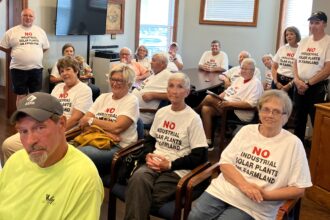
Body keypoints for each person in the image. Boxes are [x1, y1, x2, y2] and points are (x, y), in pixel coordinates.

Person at [188, 90, 312, 220]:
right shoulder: (246, 131)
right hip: (223, 191)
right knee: (195, 216)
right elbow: (225, 163)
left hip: (255, 205)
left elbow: (299, 189)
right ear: (259, 112)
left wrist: (266, 195)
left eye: (276, 111)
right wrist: (244, 186)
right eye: (266, 109)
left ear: (286, 116)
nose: (270, 115)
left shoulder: (293, 144)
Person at [0, 92, 103, 219]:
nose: (30, 141)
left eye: (39, 128)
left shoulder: (84, 178)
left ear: (62, 124)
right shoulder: (15, 160)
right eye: (23, 131)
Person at [124, 72, 208, 220]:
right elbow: (150, 141)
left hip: (177, 169)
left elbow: (200, 156)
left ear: (187, 92)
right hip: (154, 163)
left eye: (180, 87)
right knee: (137, 179)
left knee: (144, 196)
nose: (174, 91)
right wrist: (147, 155)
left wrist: (169, 164)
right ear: (166, 90)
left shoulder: (193, 119)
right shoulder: (161, 113)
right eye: (171, 86)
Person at [1, 56, 93, 163]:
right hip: (45, 124)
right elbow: (47, 109)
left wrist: (55, 131)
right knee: (7, 145)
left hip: (64, 129)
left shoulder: (84, 90)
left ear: (76, 71)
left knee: (19, 148)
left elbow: (75, 118)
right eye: (62, 71)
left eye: (68, 69)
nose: (64, 73)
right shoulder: (58, 87)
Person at [79, 63, 139, 177]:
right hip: (96, 139)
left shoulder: (131, 100)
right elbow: (83, 122)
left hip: (119, 147)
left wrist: (92, 120)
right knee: (67, 151)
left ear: (129, 83)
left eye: (120, 80)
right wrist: (106, 132)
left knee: (79, 156)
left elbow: (117, 128)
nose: (114, 83)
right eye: (112, 79)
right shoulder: (103, 97)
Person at [195, 58, 263, 151]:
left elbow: (251, 104)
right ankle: (209, 142)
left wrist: (229, 103)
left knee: (208, 98)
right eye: (242, 68)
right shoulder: (239, 79)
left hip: (239, 111)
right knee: (206, 109)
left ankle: (195, 113)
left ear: (253, 71)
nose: (243, 71)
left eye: (246, 69)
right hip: (227, 105)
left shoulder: (256, 83)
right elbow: (227, 92)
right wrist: (218, 96)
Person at [293, 11, 330, 143]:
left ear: (324, 24)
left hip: (317, 88)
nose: (313, 26)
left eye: (317, 23)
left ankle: (317, 158)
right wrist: (297, 80)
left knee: (317, 122)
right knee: (298, 122)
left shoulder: (328, 42)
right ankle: (298, 152)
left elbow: (327, 70)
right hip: (299, 86)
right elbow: (295, 62)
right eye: (311, 22)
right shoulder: (303, 41)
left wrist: (307, 84)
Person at [0, 8, 50, 107]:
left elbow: (45, 47)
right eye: (25, 15)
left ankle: (32, 118)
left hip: (36, 68)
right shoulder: (12, 31)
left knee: (34, 96)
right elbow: (2, 46)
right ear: (21, 17)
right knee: (20, 96)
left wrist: (35, 54)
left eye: (30, 16)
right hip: (18, 69)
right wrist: (14, 53)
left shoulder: (40, 31)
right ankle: (20, 119)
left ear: (34, 18)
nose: (28, 18)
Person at [132, 53, 172, 125]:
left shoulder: (167, 75)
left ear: (162, 64)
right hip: (133, 108)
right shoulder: (155, 74)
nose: (150, 62)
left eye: (153, 60)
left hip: (142, 114)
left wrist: (153, 95)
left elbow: (174, 95)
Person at [272, 26, 301, 99]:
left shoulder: (301, 49)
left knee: (288, 108)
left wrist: (289, 85)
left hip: (292, 83)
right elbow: (274, 67)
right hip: (277, 81)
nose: (288, 36)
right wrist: (276, 82)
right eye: (287, 35)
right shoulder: (282, 48)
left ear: (297, 35)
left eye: (291, 34)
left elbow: (301, 72)